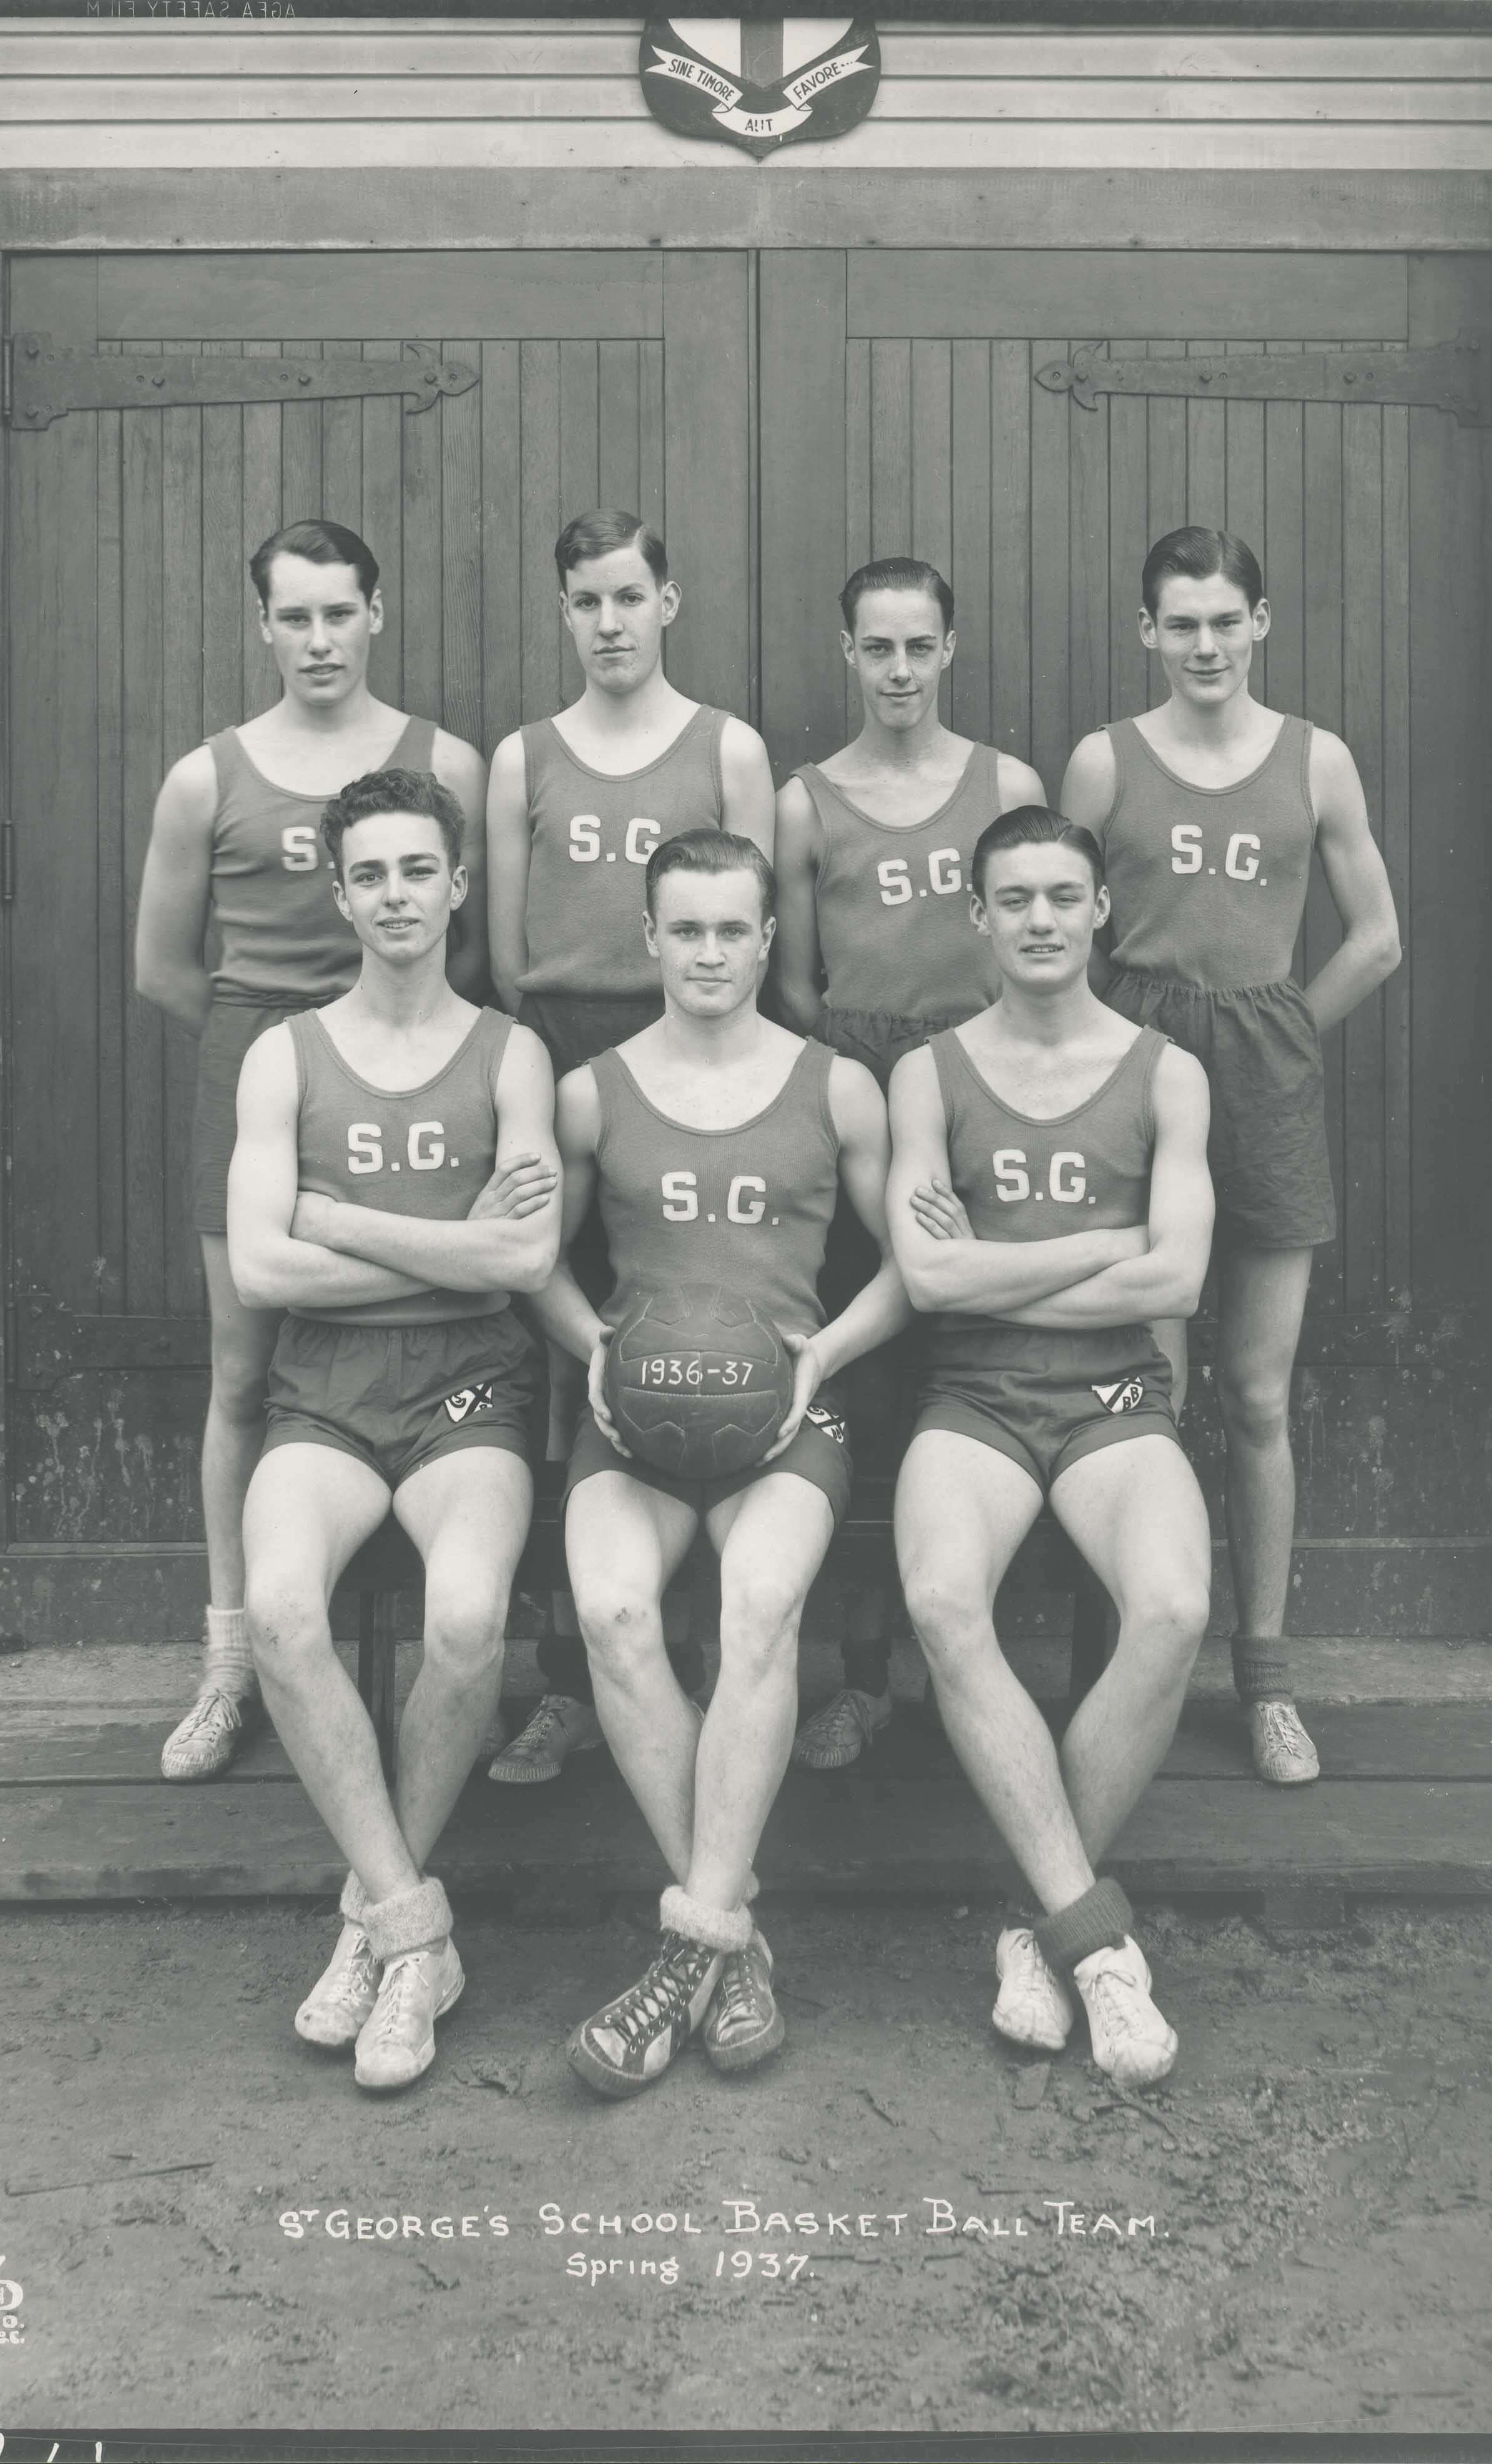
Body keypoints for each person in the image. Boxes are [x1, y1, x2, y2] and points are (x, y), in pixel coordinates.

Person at [533, 829, 907, 2095]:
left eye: (729, 930)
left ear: (765, 940)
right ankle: (730, 1937)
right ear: (649, 938)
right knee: (613, 1611)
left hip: (788, 1425)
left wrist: (827, 1353)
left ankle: (678, 1956)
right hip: (631, 1423)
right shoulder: (589, 1093)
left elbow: (919, 1263)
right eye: (682, 928)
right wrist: (589, 1344)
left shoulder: (837, 1087)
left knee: (758, 1606)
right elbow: (529, 1255)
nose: (706, 952)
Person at [134, 519, 488, 1782]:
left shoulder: (440, 757)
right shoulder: (207, 776)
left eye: (340, 613)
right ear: (264, 627)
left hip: (410, 1069)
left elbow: (469, 938)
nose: (320, 639)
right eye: (295, 617)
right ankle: (231, 1655)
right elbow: (163, 968)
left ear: (376, 615)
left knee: (437, 1316)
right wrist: (280, 1054)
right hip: (257, 1067)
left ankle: (489, 1656)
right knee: (242, 1372)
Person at [227, 768, 559, 2091]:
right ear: (340, 892)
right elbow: (261, 1271)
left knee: (470, 1622)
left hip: (470, 1392)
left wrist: (340, 1217)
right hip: (323, 1395)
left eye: (418, 869)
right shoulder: (283, 1053)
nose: (396, 895)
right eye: (369, 874)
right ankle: (407, 1925)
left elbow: (521, 1263)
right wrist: (456, 1245)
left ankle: (372, 1925)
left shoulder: (510, 1052)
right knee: (280, 1612)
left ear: (457, 883)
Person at [1059, 527, 1401, 1787]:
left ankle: (1263, 1680)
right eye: (1179, 624)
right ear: (1146, 633)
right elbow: (1062, 932)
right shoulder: (1103, 763)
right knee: (1142, 1399)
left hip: (1261, 1076)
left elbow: (1374, 937)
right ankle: (1125, 1670)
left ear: (1259, 624)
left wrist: (1278, 1031)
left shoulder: (1316, 761)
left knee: (1255, 1393)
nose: (1203, 645)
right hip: (1138, 1075)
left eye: (1224, 621)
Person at [888, 806, 1214, 2086]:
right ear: (977, 917)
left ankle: (1045, 1929)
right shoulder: (927, 1072)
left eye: (1059, 896)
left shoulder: (1163, 1070)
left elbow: (1176, 1281)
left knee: (1176, 1606)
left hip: (1112, 1401)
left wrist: (992, 1266)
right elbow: (925, 1284)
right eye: (1011, 898)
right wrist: (1097, 1248)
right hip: (970, 1400)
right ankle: (1099, 1948)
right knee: (936, 1597)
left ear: (1098, 913)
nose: (1037, 919)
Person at [482, 509, 777, 1785]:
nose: (606, 623)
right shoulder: (523, 756)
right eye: (583, 602)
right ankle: (566, 1677)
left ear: (669, 602)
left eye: (626, 598)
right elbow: (499, 950)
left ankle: (706, 1655)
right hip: (567, 1051)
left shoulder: (729, 747)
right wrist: (551, 1066)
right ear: (563, 612)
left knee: (706, 1336)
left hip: (697, 1054)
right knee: (566, 1366)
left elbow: (752, 924)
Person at [773, 556, 1046, 1770]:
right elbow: (793, 980)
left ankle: (977, 1666)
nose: (896, 670)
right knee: (865, 1393)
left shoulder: (1004, 785)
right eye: (874, 648)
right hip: (854, 1101)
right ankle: (867, 1675)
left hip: (980, 1106)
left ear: (949, 648)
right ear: (847, 653)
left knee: (985, 1379)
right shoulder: (806, 799)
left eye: (916, 647)